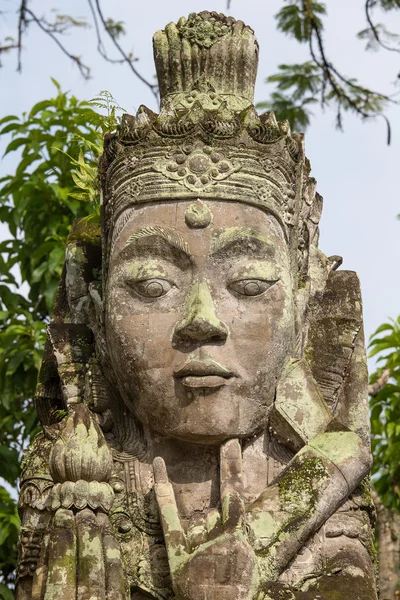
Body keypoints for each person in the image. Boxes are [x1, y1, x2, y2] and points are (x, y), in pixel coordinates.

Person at [16, 12, 377, 600]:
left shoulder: (333, 519)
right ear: (95, 310)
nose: (202, 319)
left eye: (251, 282)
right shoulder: (73, 495)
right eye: (154, 284)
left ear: (306, 304)